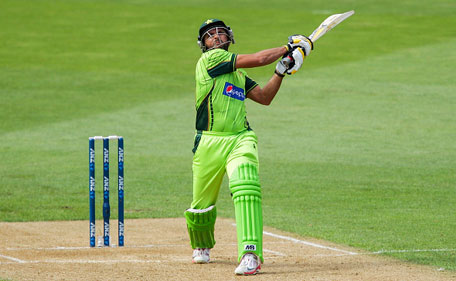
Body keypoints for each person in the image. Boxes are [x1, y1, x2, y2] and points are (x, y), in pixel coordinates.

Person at [184, 19, 313, 275]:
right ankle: (201, 246)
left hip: (240, 138)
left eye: (221, 33)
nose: (217, 37)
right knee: (200, 207)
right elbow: (258, 58)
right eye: (211, 36)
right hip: (208, 141)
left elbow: (264, 98)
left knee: (246, 187)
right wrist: (289, 47)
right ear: (204, 44)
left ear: (230, 36)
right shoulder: (209, 62)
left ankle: (250, 254)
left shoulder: (238, 76)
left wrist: (281, 71)